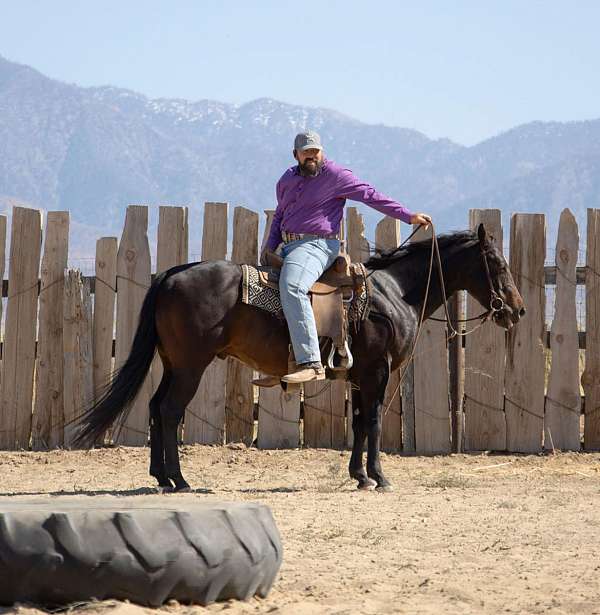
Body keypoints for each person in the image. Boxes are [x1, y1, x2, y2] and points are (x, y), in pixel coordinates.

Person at [262, 130, 432, 384]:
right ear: (295, 154)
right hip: (287, 248)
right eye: (306, 151)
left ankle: (310, 362)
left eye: (315, 151)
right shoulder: (286, 179)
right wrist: (268, 249)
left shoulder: (337, 176)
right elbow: (279, 216)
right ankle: (280, 360)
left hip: (317, 246)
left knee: (293, 287)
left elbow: (371, 196)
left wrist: (408, 216)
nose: (311, 156)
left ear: (322, 151)